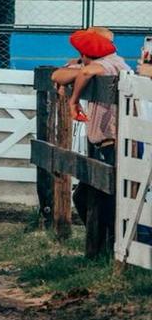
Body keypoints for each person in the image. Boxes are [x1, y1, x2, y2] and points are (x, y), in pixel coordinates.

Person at [51, 26, 131, 256]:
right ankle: (105, 247)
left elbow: (85, 73)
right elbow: (58, 75)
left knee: (107, 200)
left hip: (114, 142)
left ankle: (109, 249)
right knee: (89, 196)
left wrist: (73, 100)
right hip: (104, 143)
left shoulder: (108, 65)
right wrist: (78, 67)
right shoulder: (101, 63)